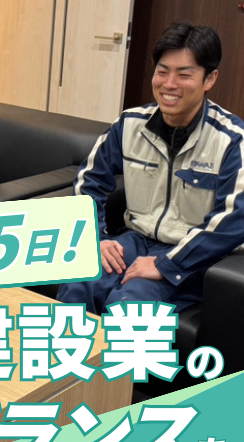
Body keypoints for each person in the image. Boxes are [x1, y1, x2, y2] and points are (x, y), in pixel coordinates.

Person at [57, 22, 244, 314]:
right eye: (162, 71)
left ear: (210, 79)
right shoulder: (129, 124)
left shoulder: (231, 140)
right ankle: (65, 345)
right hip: (136, 239)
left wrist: (168, 264)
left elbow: (235, 218)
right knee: (80, 280)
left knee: (131, 302)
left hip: (193, 255)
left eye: (184, 75)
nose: (169, 84)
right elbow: (88, 181)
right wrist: (97, 238)